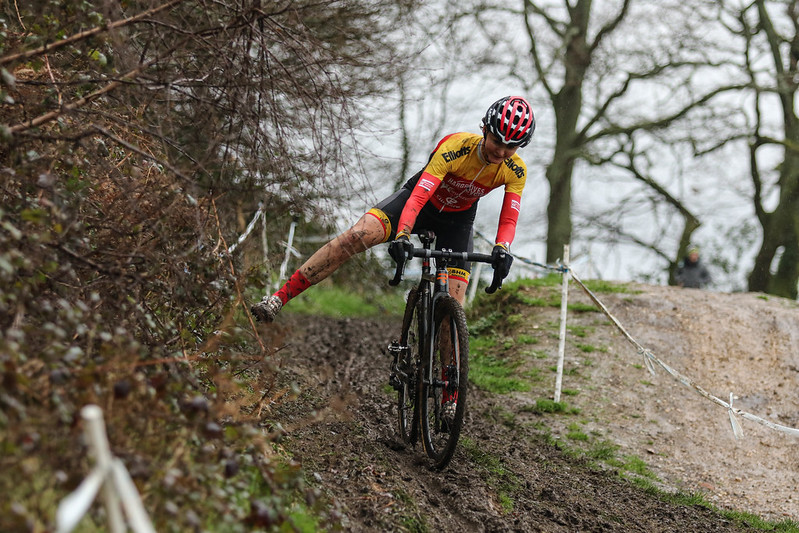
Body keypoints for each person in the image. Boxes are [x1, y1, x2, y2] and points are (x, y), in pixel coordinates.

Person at [251, 95, 536, 323]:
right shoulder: (455, 148)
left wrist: (502, 247)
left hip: (457, 222)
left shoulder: (515, 170)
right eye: (498, 141)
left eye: (511, 147)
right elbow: (419, 196)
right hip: (419, 203)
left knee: (453, 311)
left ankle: (450, 392)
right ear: (485, 129)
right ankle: (279, 298)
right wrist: (402, 235)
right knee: (357, 235)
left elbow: (509, 216)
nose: (501, 151)